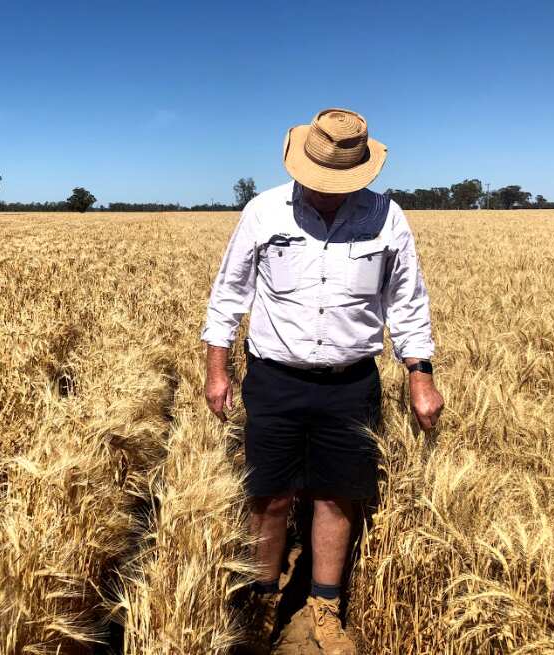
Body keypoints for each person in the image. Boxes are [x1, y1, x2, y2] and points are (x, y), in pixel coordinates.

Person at [201, 108, 444, 654]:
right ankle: (264, 600)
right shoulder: (264, 212)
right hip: (274, 379)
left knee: (338, 496)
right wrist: (217, 369)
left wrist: (419, 375)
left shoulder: (388, 219)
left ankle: (325, 607)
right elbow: (228, 296)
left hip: (350, 382)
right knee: (269, 496)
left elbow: (407, 305)